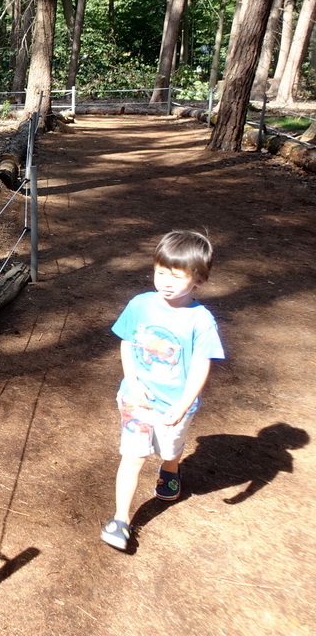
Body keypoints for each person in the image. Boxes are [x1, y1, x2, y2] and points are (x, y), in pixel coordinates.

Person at [100, 230, 225, 551]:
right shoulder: (140, 304)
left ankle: (170, 469)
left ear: (198, 279)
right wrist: (134, 382)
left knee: (170, 448)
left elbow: (201, 366)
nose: (165, 282)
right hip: (137, 398)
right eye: (160, 272)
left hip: (175, 405)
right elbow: (128, 342)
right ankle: (120, 520)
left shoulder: (201, 320)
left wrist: (184, 405)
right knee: (133, 456)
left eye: (176, 276)